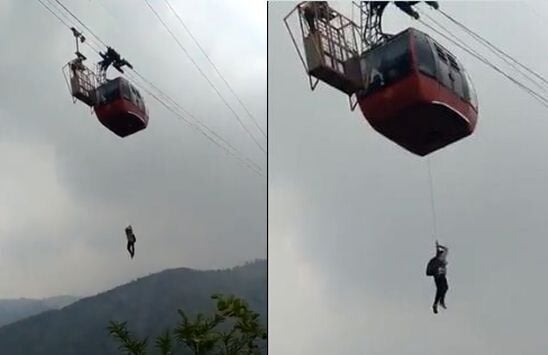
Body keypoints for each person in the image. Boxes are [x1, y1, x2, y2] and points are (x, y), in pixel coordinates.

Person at [426, 240, 448, 314]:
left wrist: (438, 246)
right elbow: (446, 249)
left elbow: (445, 250)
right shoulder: (438, 260)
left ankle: (437, 304)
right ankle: (440, 302)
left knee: (442, 289)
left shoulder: (439, 259)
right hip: (439, 276)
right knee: (443, 288)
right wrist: (438, 246)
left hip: (440, 276)